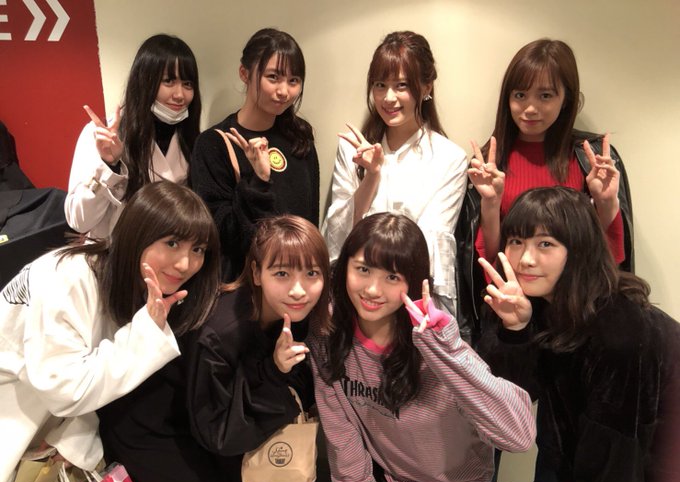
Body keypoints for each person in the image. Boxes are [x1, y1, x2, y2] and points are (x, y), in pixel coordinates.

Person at [0, 181, 220, 482]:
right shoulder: (68, 277)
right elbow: (64, 387)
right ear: (137, 233)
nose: (185, 264)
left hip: (52, 415)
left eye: (198, 249)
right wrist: (146, 330)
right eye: (172, 243)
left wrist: (74, 438)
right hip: (14, 406)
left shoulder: (135, 281)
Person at [98, 215, 330, 482]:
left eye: (312, 273)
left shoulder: (292, 313)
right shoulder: (221, 333)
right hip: (153, 424)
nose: (299, 289)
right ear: (256, 273)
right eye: (282, 273)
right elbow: (219, 433)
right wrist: (274, 371)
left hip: (210, 420)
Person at [308, 212, 535, 482]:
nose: (372, 289)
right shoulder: (329, 333)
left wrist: (446, 351)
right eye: (363, 269)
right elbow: (340, 426)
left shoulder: (436, 345)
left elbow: (518, 436)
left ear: (415, 282)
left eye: (392, 277)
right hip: (385, 479)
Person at [478, 186, 680, 482]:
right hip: (587, 461)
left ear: (578, 249)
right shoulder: (534, 303)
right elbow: (507, 400)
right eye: (516, 241)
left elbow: (621, 436)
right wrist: (515, 330)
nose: (526, 259)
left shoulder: (618, 329)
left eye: (545, 243)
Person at [456, 38, 634, 344]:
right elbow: (490, 260)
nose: (530, 108)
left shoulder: (590, 158)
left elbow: (608, 255)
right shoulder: (489, 163)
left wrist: (605, 203)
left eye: (545, 95)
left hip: (578, 312)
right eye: (520, 95)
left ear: (566, 99)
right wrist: (490, 203)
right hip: (513, 311)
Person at [322, 31, 467, 311]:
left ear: (427, 87)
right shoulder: (351, 148)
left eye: (402, 85)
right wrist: (372, 176)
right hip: (353, 295)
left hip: (411, 300)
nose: (388, 98)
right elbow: (337, 235)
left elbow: (431, 244)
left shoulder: (450, 158)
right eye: (380, 85)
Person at [190, 28, 319, 282]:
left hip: (298, 284)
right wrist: (258, 181)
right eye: (273, 77)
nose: (284, 91)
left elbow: (310, 221)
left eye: (293, 80)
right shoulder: (214, 144)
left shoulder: (300, 137)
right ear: (244, 73)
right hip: (245, 289)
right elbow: (221, 236)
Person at [65, 34, 201, 239]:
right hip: (112, 253)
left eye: (188, 84)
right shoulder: (103, 136)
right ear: (144, 81)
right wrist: (109, 166)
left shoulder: (192, 139)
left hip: (170, 253)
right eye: (169, 81)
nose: (180, 94)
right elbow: (79, 221)